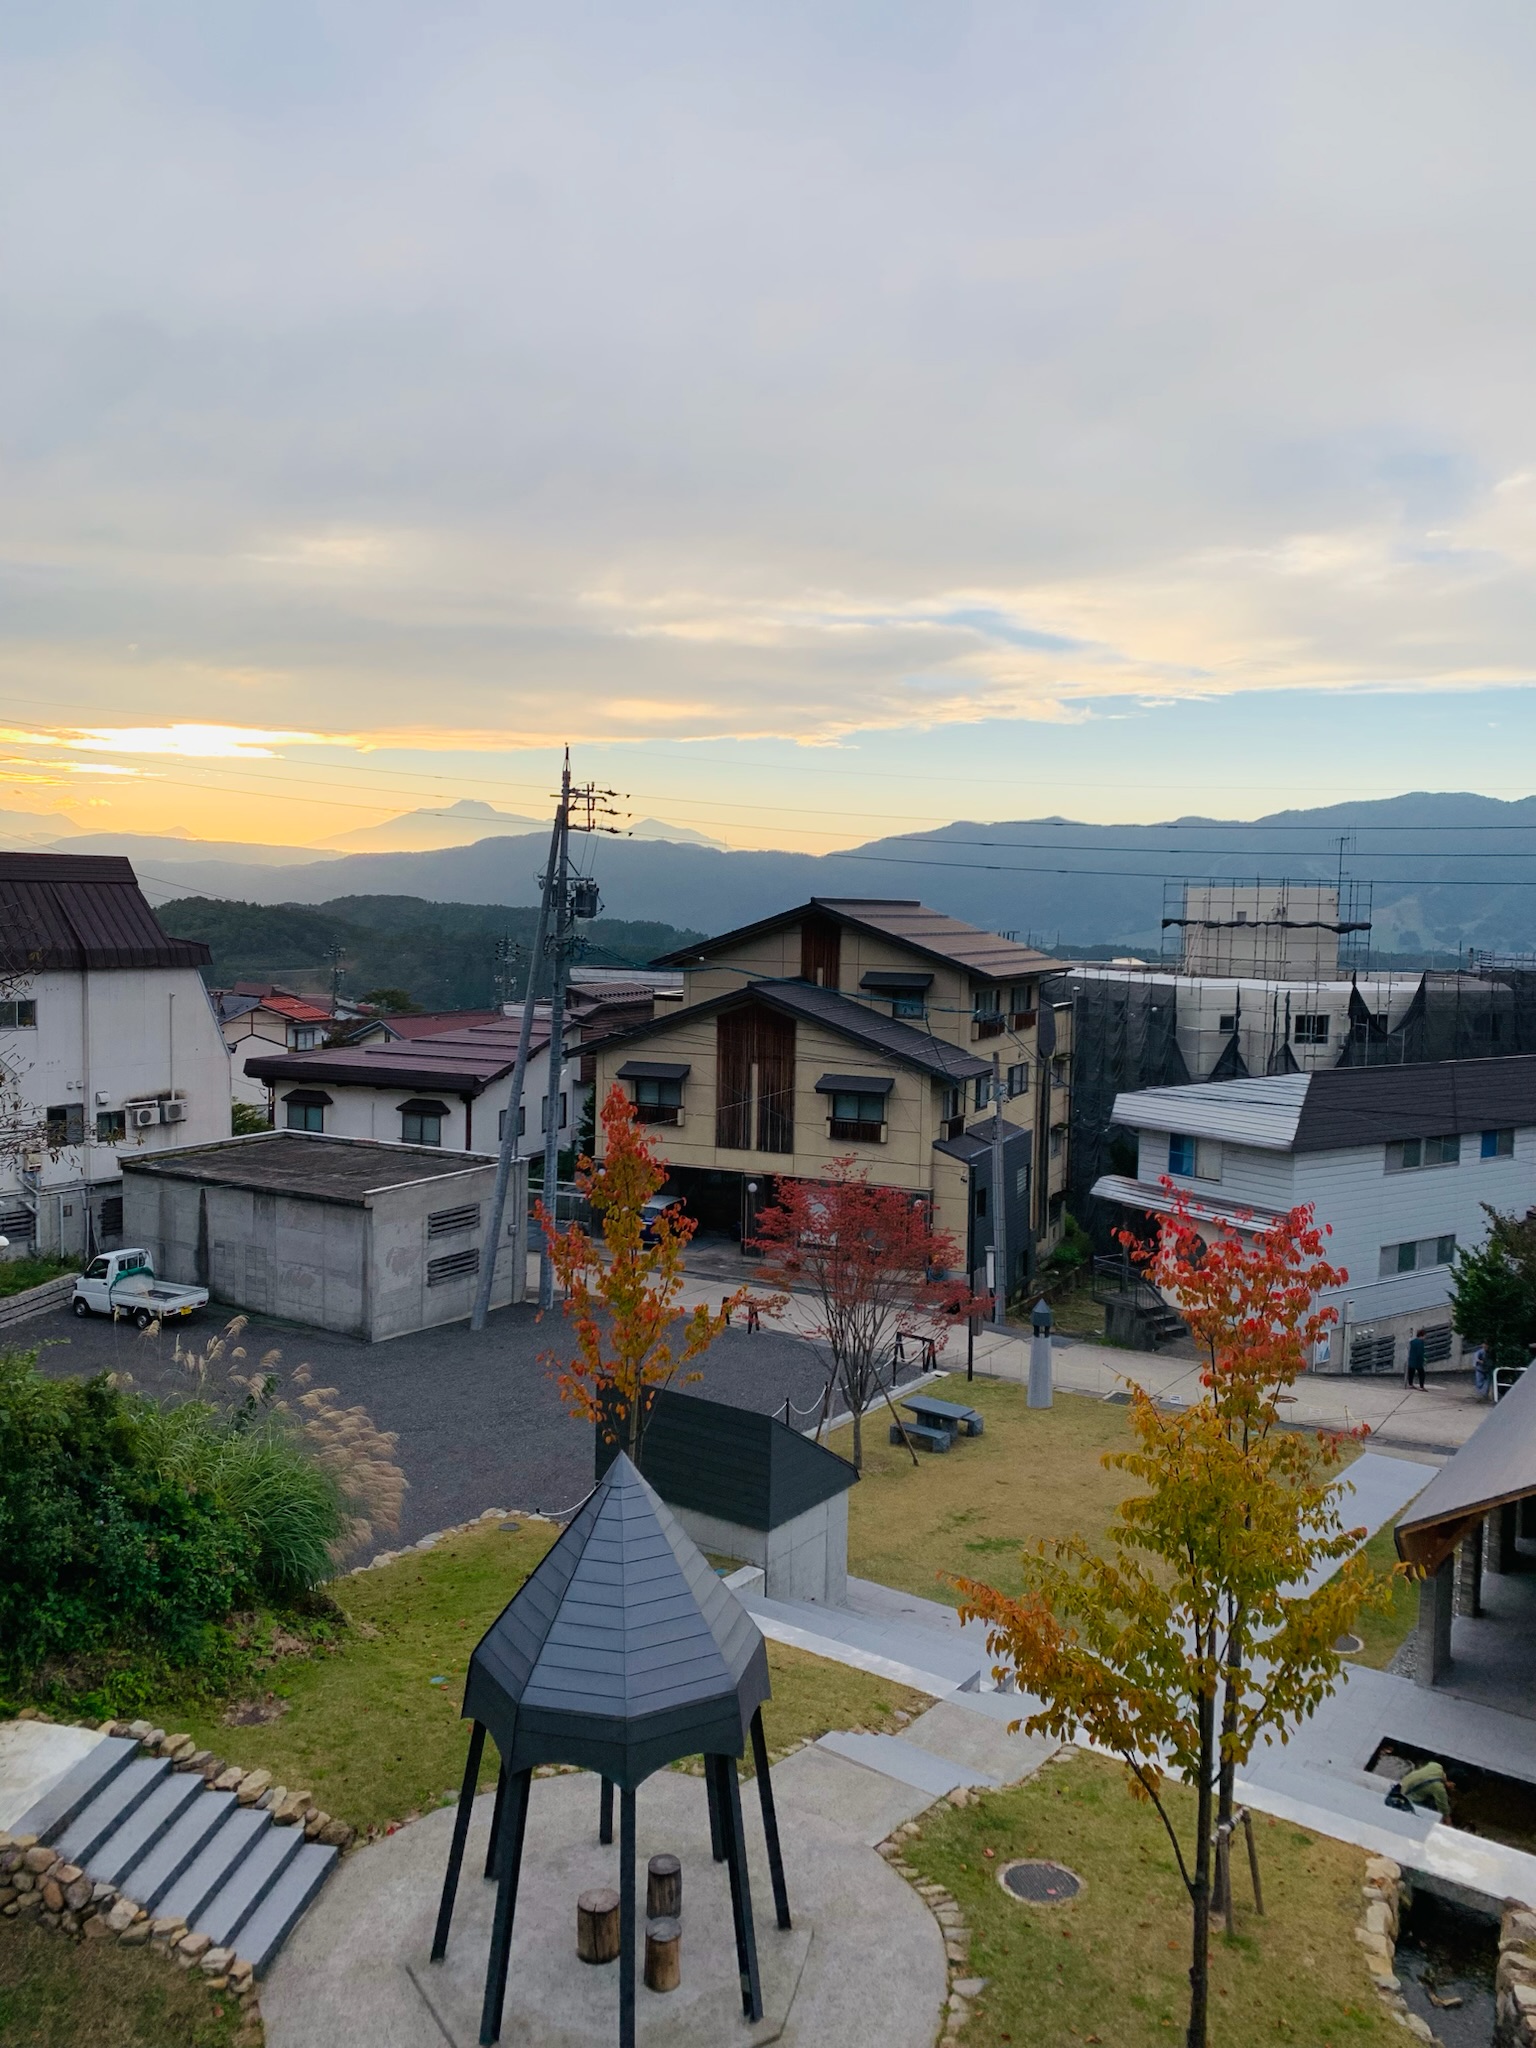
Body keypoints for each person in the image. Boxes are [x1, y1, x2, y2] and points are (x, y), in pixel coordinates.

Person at [1386, 1758, 1452, 1820]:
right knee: (1432, 1804)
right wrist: (1447, 1820)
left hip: (1401, 1786)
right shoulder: (1438, 1787)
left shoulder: (1435, 1766)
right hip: (1408, 1797)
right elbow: (1443, 1808)